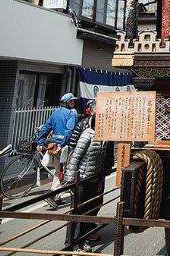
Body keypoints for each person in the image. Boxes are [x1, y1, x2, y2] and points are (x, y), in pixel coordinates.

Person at [64, 102, 108, 251]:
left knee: (88, 211)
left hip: (93, 179)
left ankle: (82, 242)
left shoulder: (105, 138)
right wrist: (70, 180)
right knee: (77, 212)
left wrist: (100, 180)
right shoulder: (87, 134)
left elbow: (102, 162)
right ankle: (71, 245)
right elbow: (75, 157)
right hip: (81, 179)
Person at [37, 93, 78, 208]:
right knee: (63, 171)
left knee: (58, 169)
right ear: (68, 102)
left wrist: (40, 142)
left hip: (52, 146)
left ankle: (57, 196)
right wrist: (62, 144)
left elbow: (46, 127)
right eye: (72, 101)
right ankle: (52, 193)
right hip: (64, 146)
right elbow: (69, 130)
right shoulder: (72, 112)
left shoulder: (56, 112)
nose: (73, 103)